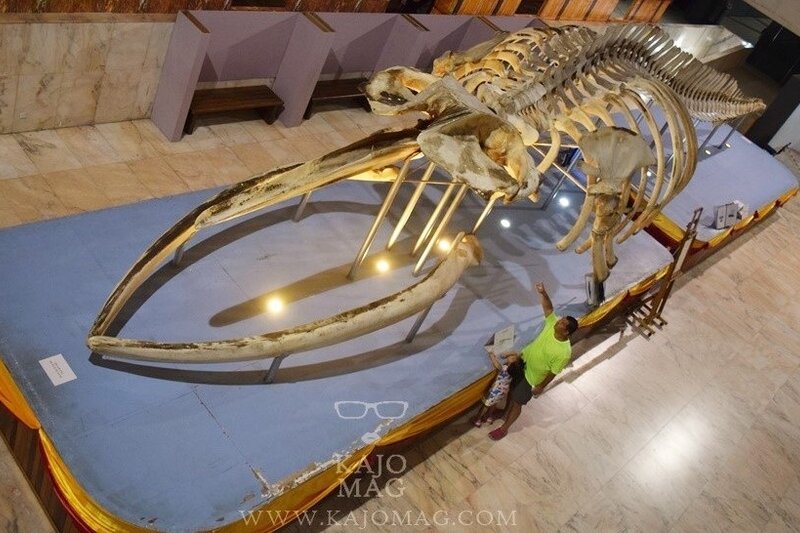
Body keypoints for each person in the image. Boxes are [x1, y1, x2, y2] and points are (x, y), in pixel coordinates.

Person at [488, 282, 578, 441]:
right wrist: (543, 293)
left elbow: (553, 372)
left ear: (566, 332)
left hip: (530, 379)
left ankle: (504, 429)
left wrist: (540, 387)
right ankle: (503, 412)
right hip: (521, 363)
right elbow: (549, 309)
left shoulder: (564, 352)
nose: (558, 321)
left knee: (517, 403)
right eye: (561, 320)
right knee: (511, 392)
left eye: (562, 323)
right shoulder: (551, 325)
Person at [470, 351, 512, 427]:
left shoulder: (505, 368)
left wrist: (491, 355)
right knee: (494, 404)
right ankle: (488, 417)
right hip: (503, 391)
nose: (507, 357)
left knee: (486, 404)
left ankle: (477, 419)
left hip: (495, 390)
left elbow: (497, 365)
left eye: (509, 357)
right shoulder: (515, 371)